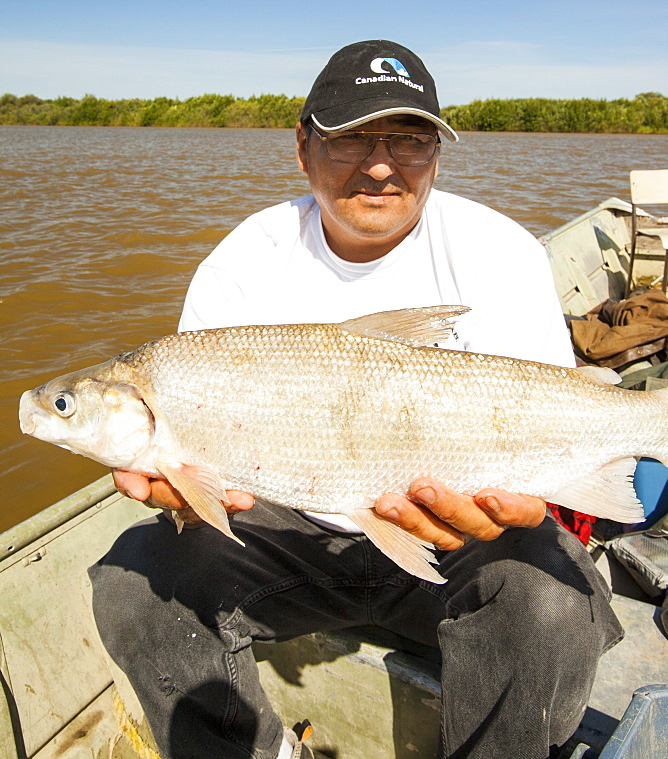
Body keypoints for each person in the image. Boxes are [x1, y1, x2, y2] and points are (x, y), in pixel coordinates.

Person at [90, 40, 622, 759]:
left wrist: (536, 503)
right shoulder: (244, 261)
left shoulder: (499, 250)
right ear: (303, 148)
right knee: (134, 584)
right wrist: (185, 492)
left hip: (460, 534)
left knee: (552, 601)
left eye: (409, 138)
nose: (380, 163)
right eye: (351, 139)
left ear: (437, 152)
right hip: (291, 533)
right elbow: (200, 475)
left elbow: (555, 426)